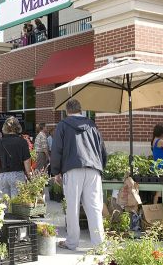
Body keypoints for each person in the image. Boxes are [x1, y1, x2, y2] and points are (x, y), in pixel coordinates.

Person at [51, 99, 107, 251]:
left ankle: (72, 242)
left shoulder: (63, 125)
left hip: (72, 168)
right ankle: (99, 244)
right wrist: (101, 167)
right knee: (94, 207)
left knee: (72, 207)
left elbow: (57, 149)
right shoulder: (92, 125)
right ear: (80, 110)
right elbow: (102, 149)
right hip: (94, 169)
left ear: (67, 111)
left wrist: (56, 171)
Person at [0, 117, 31, 197]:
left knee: (4, 203)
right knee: (17, 203)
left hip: (4, 174)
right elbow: (27, 161)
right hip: (18, 174)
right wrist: (29, 175)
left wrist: (1, 173)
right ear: (18, 127)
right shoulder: (22, 141)